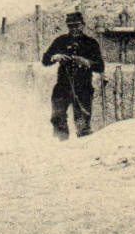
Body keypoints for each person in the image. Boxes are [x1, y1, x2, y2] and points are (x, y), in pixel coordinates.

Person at [41, 11, 105, 139]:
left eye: (77, 25)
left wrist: (86, 62)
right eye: (71, 26)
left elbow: (100, 67)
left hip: (83, 89)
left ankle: (83, 151)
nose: (74, 29)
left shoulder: (91, 43)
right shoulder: (60, 41)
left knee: (82, 124)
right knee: (57, 118)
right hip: (62, 88)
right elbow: (45, 60)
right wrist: (55, 57)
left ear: (83, 25)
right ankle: (61, 147)